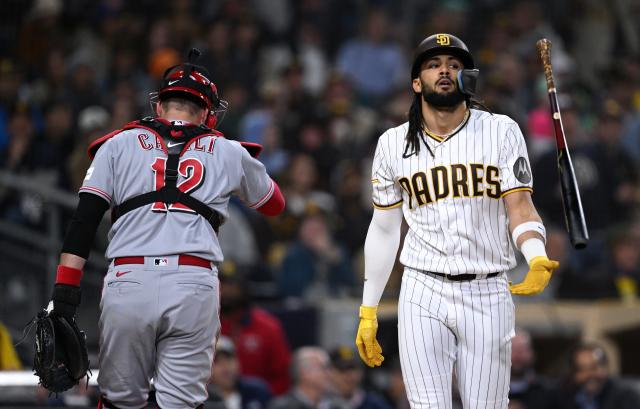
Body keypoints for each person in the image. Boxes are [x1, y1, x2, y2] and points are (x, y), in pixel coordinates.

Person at [46, 49, 285, 409]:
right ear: (208, 112)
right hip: (193, 282)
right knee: (181, 404)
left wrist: (64, 296)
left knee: (119, 403)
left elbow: (83, 222)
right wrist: (230, 163)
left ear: (160, 106)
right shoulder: (229, 150)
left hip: (129, 279)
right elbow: (274, 204)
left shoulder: (117, 143)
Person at [354, 33, 560, 408]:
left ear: (468, 77)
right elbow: (384, 230)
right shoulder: (391, 143)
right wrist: (369, 308)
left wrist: (535, 253)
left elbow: (520, 206)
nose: (444, 70)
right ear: (417, 82)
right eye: (433, 65)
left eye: (454, 64)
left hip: (487, 288)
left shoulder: (501, 130)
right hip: (422, 288)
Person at [219, 263, 292, 395]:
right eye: (221, 285)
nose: (226, 291)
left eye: (232, 285)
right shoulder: (201, 323)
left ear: (243, 288)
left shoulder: (267, 327)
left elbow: (282, 376)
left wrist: (264, 400)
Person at [554, 343, 640, 409]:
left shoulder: (626, 397)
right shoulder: (564, 397)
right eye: (582, 369)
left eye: (594, 367)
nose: (589, 374)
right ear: (573, 374)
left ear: (606, 367)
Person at [268, 347, 350, 409]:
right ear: (304, 373)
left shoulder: (338, 405)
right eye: (323, 368)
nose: (329, 374)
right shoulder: (282, 407)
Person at [207, 336, 272, 409]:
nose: (225, 365)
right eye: (217, 361)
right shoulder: (201, 400)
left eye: (229, 358)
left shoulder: (257, 392)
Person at [328, 345, 393, 409]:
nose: (349, 375)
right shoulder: (322, 402)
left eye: (353, 368)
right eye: (342, 369)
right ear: (330, 373)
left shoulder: (375, 404)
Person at [508, 328, 556, 408]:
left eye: (522, 349)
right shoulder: (490, 391)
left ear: (532, 353)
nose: (517, 355)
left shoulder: (549, 391)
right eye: (513, 349)